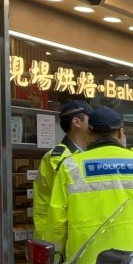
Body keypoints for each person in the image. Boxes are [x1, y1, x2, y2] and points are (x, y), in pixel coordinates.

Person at [45, 106, 133, 261]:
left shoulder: (70, 166)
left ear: (89, 133)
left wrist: (53, 261)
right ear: (121, 132)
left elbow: (57, 222)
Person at [33, 100, 92, 241]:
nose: (94, 124)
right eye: (91, 119)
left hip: (78, 235)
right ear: (77, 122)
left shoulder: (87, 155)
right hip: (61, 238)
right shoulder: (58, 159)